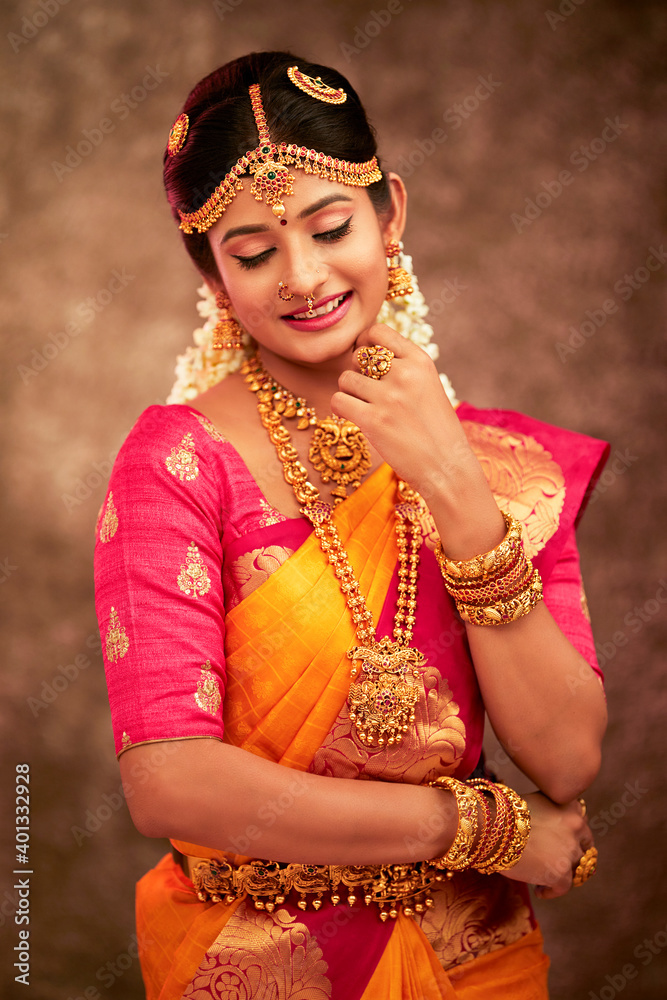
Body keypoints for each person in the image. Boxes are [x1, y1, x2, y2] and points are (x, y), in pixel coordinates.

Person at [94, 51, 609, 999]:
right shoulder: (178, 463)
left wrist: (453, 483)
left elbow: (568, 757)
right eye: (252, 253)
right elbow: (170, 781)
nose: (302, 276)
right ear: (210, 271)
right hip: (260, 966)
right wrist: (481, 829)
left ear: (391, 213)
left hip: (479, 961)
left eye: (331, 228)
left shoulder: (503, 465)